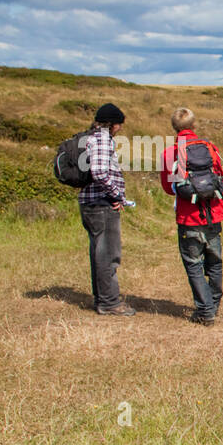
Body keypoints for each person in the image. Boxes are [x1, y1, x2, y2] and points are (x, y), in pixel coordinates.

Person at [160, 108, 223, 326]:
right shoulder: (209, 148)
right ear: (194, 125)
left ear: (174, 128)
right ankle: (213, 304)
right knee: (215, 262)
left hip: (189, 216)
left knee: (193, 264)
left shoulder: (170, 153)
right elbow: (221, 175)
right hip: (213, 213)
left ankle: (205, 310)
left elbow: (168, 188)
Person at [79, 103, 134, 316]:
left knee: (98, 252)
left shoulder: (90, 137)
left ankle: (102, 298)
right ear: (112, 124)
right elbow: (100, 173)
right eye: (119, 124)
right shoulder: (102, 139)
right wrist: (116, 195)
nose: (120, 128)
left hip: (90, 203)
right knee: (108, 254)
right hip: (101, 205)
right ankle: (110, 303)